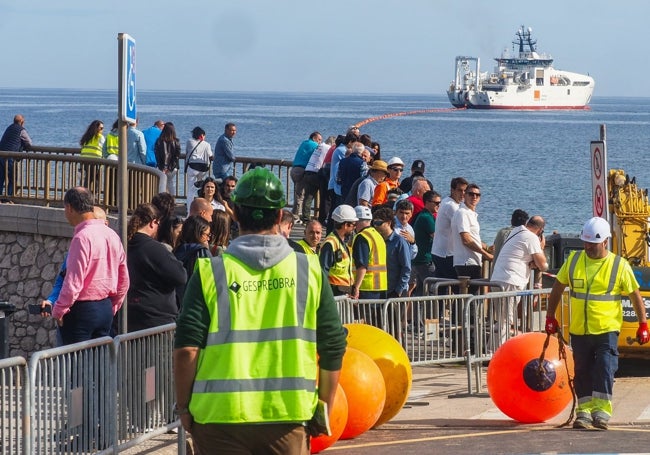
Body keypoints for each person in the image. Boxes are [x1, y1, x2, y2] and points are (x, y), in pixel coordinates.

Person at [173, 167, 346, 453]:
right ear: (279, 217)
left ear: (235, 215)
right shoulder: (308, 270)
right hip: (288, 418)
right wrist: (323, 405)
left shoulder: (211, 272)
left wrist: (184, 408)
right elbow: (333, 345)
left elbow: (186, 350)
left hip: (218, 419)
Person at [545, 217, 649, 430]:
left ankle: (601, 412)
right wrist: (550, 316)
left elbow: (635, 295)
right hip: (580, 330)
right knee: (582, 370)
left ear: (605, 242)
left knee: (604, 368)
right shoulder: (574, 261)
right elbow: (558, 287)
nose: (588, 247)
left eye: (592, 243)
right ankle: (583, 413)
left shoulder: (619, 265)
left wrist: (642, 324)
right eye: (586, 242)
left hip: (606, 330)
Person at [44, 187, 129, 344]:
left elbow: (73, 282)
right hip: (105, 307)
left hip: (81, 311)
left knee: (76, 364)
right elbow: (124, 278)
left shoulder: (82, 237)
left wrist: (59, 310)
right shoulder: (111, 234)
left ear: (69, 208)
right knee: (98, 364)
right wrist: (113, 305)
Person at [38, 206, 109, 343]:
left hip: (86, 312)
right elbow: (64, 279)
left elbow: (72, 284)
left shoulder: (108, 242)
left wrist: (59, 310)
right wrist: (52, 301)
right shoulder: (82, 243)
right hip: (94, 310)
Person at [126, 203, 186, 331]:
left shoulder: (124, 244)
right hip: (156, 320)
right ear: (153, 223)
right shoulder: (155, 248)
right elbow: (180, 276)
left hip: (129, 316)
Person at [490, 215, 548, 346]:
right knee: (506, 319)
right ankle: (498, 353)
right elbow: (543, 265)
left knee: (501, 318)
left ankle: (491, 351)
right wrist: (541, 247)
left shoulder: (516, 231)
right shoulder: (531, 237)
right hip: (511, 281)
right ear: (540, 230)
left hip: (497, 278)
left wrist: (533, 262)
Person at [451, 183, 493, 285]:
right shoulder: (462, 213)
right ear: (465, 195)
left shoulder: (471, 214)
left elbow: (473, 237)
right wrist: (486, 254)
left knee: (470, 296)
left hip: (473, 261)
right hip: (466, 262)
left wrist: (487, 248)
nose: (474, 197)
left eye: (477, 195)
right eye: (471, 194)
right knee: (469, 296)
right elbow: (466, 240)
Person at [431, 177, 468, 280]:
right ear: (452, 190)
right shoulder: (451, 206)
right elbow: (464, 229)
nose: (463, 194)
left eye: (465, 191)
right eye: (460, 190)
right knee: (457, 285)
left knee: (442, 288)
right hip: (445, 254)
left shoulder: (446, 201)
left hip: (439, 252)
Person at [319, 204, 357, 296]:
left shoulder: (344, 243)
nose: (354, 228)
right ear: (345, 225)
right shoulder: (330, 243)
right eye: (353, 225)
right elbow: (323, 270)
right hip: (334, 292)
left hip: (345, 292)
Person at [351, 205, 387, 300]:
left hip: (366, 287)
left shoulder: (362, 237)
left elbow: (362, 265)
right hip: (381, 288)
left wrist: (356, 287)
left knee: (362, 315)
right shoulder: (377, 235)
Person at [174, 215, 213, 304]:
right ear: (198, 233)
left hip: (178, 302)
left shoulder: (177, 250)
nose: (208, 238)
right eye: (207, 235)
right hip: (196, 302)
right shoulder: (202, 252)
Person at [411, 190, 441, 296]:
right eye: (436, 203)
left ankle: (418, 312)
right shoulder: (426, 217)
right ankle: (432, 312)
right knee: (432, 290)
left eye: (440, 203)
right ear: (427, 202)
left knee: (420, 291)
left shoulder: (425, 215)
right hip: (425, 260)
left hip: (419, 259)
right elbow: (437, 237)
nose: (439, 205)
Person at [291, 131, 322, 223]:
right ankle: (295, 216)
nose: (320, 142)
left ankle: (295, 214)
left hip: (294, 169)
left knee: (297, 193)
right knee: (300, 195)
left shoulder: (304, 143)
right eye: (319, 139)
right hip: (302, 170)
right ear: (314, 138)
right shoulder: (314, 145)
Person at [0, 114, 32, 196]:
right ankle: (9, 197)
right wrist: (22, 145)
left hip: (1, 155)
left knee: (1, 178)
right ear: (22, 122)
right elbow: (29, 142)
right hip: (10, 156)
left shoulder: (9, 128)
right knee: (13, 178)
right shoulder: (21, 130)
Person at [185, 126, 213, 206]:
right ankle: (201, 205)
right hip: (203, 168)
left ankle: (189, 207)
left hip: (192, 167)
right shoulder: (207, 144)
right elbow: (210, 155)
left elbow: (187, 152)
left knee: (191, 189)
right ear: (202, 135)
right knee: (201, 187)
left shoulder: (189, 142)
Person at [154, 122, 182, 194]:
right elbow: (176, 156)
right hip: (173, 167)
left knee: (161, 184)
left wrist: (162, 167)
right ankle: (172, 200)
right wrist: (169, 168)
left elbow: (157, 155)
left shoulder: (159, 140)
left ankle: (162, 200)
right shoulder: (176, 141)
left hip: (161, 166)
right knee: (170, 183)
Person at [79, 120, 105, 192]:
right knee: (95, 179)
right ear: (96, 128)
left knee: (87, 179)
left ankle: (83, 193)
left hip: (84, 161)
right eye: (101, 128)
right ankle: (91, 195)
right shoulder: (100, 137)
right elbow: (104, 148)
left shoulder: (87, 136)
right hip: (95, 161)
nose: (102, 130)